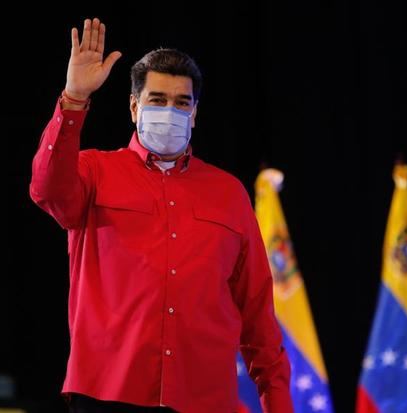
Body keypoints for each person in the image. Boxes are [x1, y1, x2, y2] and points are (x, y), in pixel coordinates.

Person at [30, 17, 292, 413]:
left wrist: (278, 401)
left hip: (205, 400)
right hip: (109, 395)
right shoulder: (94, 172)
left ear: (195, 113)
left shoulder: (228, 193)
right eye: (157, 100)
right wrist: (73, 98)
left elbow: (257, 311)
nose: (170, 110)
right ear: (135, 107)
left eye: (181, 102)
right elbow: (46, 190)